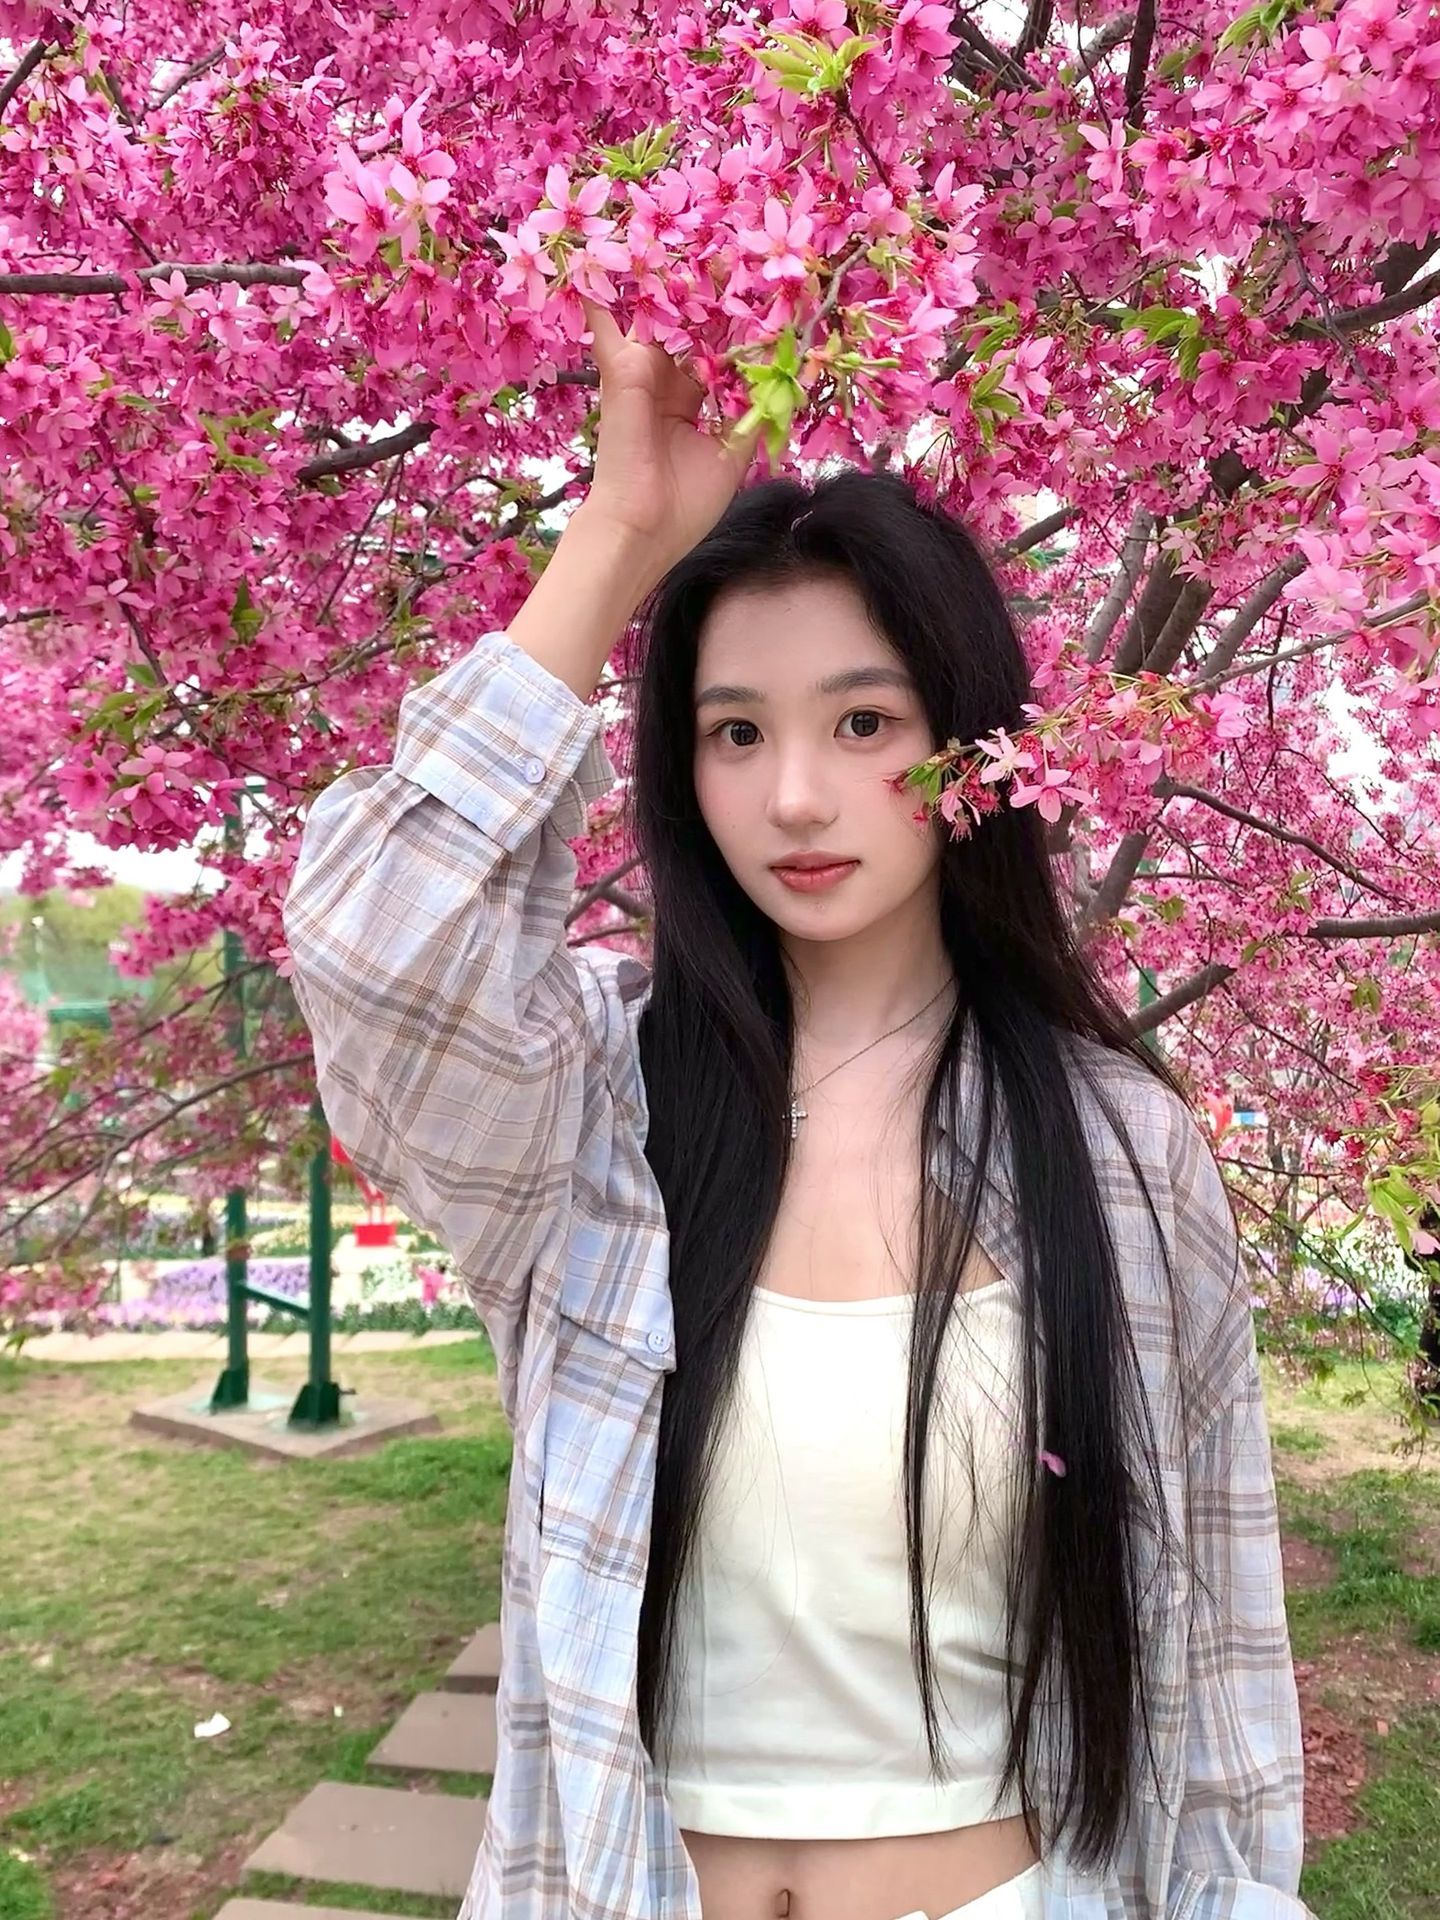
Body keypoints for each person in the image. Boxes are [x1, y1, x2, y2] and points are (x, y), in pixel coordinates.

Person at [282, 303, 1311, 1920]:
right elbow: (375, 947)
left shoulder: (1115, 1146)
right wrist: (618, 542)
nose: (797, 797)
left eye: (865, 723)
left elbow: (1220, 1635)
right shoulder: (596, 1105)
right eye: (735, 733)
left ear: (970, 746)